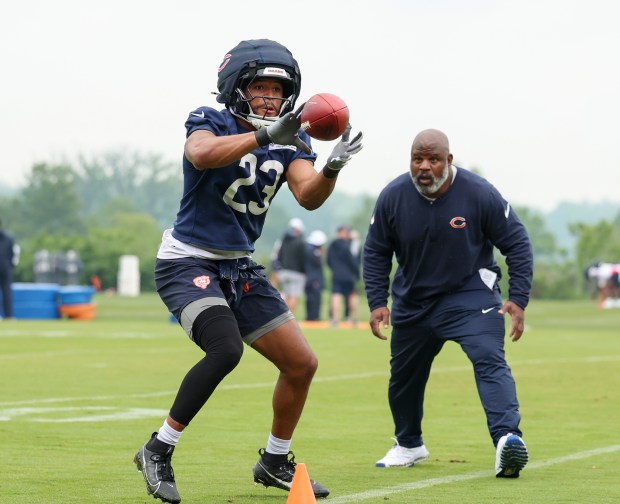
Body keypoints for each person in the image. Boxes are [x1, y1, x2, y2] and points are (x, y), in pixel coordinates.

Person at [132, 38, 363, 504]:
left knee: (301, 364)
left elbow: (308, 195)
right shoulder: (210, 119)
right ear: (236, 86)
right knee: (225, 350)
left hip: (238, 266)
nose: (270, 98)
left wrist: (333, 167)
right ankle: (158, 448)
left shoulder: (292, 140)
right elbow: (201, 154)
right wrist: (263, 136)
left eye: (279, 90)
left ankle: (275, 460)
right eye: (260, 87)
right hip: (187, 260)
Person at [363, 129, 533, 478]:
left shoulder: (479, 193)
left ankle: (507, 440)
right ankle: (409, 443)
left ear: (448, 160)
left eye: (433, 159)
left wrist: (518, 298)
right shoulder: (393, 196)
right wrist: (377, 301)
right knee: (404, 378)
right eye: (417, 159)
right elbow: (376, 251)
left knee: (489, 359)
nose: (424, 167)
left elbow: (516, 242)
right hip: (413, 301)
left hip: (470, 295)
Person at [327, 225, 360, 326]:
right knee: (351, 295)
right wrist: (356, 273)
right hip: (348, 275)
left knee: (336, 295)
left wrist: (335, 269)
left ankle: (335, 320)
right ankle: (354, 319)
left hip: (337, 274)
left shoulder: (332, 245)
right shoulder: (347, 246)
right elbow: (352, 261)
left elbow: (328, 261)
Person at [276, 218, 307, 313]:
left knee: (286, 295)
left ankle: (282, 317)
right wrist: (305, 271)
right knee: (293, 296)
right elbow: (303, 259)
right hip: (296, 273)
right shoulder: (301, 241)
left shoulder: (284, 240)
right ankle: (289, 319)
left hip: (284, 272)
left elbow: (279, 255)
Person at [304, 230, 328, 321]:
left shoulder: (307, 247)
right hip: (314, 279)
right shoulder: (314, 250)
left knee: (310, 298)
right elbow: (318, 261)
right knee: (315, 299)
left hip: (309, 278)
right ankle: (314, 317)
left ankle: (310, 316)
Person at [0, 219, 18, 319]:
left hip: (6, 270)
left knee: (7, 293)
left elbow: (14, 254)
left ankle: (9, 316)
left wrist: (11, 266)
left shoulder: (9, 239)